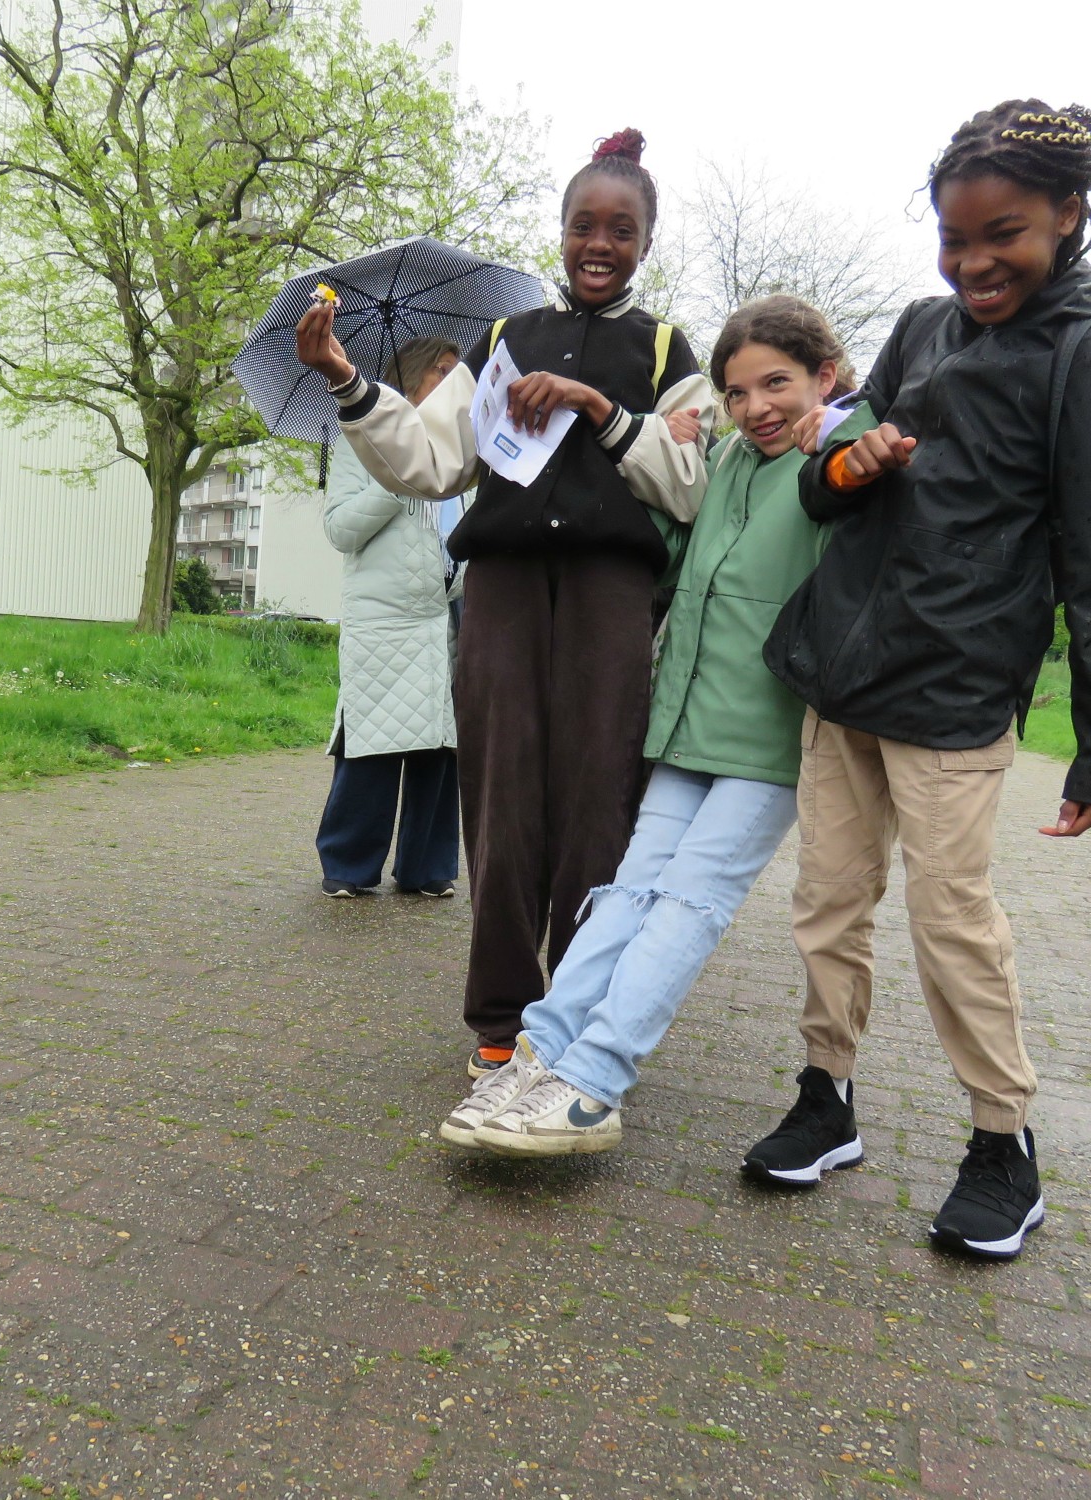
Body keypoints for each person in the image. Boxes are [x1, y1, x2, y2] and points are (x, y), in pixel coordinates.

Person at [746, 100, 1091, 1261]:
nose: (973, 262)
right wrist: (847, 457)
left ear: (1070, 218)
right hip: (843, 671)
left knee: (949, 921)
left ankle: (1001, 1144)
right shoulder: (922, 327)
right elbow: (821, 485)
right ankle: (825, 1098)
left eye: (1004, 234)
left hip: (956, 693)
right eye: (954, 237)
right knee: (827, 901)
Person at [296, 130, 714, 1077]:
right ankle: (499, 1020)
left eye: (620, 228)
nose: (597, 244)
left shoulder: (663, 351)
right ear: (559, 233)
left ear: (646, 241)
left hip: (612, 598)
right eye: (581, 225)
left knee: (598, 807)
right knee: (502, 798)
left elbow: (689, 484)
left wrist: (600, 411)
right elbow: (431, 460)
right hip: (502, 594)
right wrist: (342, 377)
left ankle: (574, 1018)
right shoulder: (501, 339)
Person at [437, 296, 871, 1156]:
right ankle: (539, 1050)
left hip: (767, 736)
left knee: (686, 904)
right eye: (737, 392)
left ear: (824, 377)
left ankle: (594, 1080)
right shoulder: (731, 459)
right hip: (683, 728)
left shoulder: (836, 463)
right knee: (626, 894)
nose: (755, 409)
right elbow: (679, 556)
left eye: (775, 385)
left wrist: (853, 439)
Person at [315, 338, 465, 899]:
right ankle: (348, 865)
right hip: (383, 620)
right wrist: (399, 480)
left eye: (458, 375)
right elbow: (340, 531)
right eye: (442, 372)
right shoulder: (356, 440)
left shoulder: (457, 448)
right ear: (411, 378)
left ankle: (427, 868)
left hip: (444, 616)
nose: (453, 383)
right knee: (371, 745)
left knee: (441, 749)